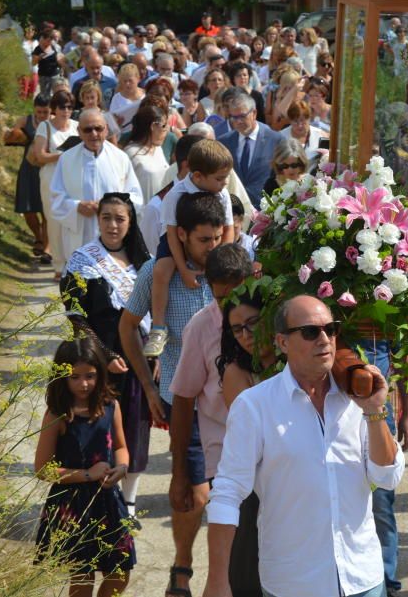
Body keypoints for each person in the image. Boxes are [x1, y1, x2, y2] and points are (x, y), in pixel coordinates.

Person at [203, 294, 405, 597]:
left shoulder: (358, 398)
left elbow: (387, 477)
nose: (324, 339)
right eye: (311, 332)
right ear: (282, 342)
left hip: (362, 578)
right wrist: (218, 580)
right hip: (293, 583)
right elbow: (227, 492)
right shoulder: (254, 406)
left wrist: (375, 411)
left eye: (331, 329)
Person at [119, 192, 225, 597]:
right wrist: (146, 384)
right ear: (181, 234)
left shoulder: (232, 272)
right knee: (192, 489)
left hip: (231, 401)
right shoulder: (155, 272)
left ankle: (226, 573)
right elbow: (128, 327)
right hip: (182, 402)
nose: (211, 248)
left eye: (217, 238)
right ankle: (182, 564)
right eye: (203, 240)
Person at [61, 193, 153, 517]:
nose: (113, 225)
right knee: (99, 428)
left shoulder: (145, 262)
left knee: (137, 428)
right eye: (106, 218)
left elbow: (160, 314)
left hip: (138, 358)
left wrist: (153, 357)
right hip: (97, 359)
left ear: (130, 222)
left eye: (120, 218)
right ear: (97, 220)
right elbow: (76, 315)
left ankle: (127, 501)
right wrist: (104, 354)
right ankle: (95, 497)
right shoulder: (83, 260)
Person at [169, 244, 254, 592]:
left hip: (269, 459)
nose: (232, 306)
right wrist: (179, 474)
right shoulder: (201, 328)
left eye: (240, 294)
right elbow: (183, 399)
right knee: (232, 561)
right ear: (209, 289)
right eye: (222, 298)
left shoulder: (272, 322)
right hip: (224, 462)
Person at [33, 337, 136, 597]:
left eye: (90, 375)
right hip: (73, 506)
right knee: (82, 576)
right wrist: (87, 474)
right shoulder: (57, 414)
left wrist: (121, 468)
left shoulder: (111, 406)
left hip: (108, 501)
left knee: (121, 572)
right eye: (75, 377)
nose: (84, 383)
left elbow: (121, 447)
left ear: (100, 374)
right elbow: (42, 469)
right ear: (62, 377)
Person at [145, 140, 235, 358]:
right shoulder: (176, 194)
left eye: (226, 177)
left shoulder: (222, 194)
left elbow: (228, 230)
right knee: (160, 270)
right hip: (177, 239)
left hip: (211, 238)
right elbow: (173, 234)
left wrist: (220, 260)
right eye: (219, 178)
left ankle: (231, 319)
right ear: (197, 177)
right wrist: (183, 269)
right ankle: (158, 328)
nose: (224, 183)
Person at [216, 291, 274, 597]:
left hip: (299, 484)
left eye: (253, 323)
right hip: (255, 487)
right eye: (237, 329)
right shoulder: (237, 372)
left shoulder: (299, 363)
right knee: (249, 577)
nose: (246, 336)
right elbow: (257, 435)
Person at [50, 109, 144, 278]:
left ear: (106, 129)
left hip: (113, 237)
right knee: (81, 292)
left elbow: (136, 197)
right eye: (87, 130)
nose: (94, 134)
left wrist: (114, 208)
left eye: (98, 129)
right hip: (81, 234)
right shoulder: (66, 159)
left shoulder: (120, 158)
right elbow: (55, 198)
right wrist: (77, 206)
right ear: (78, 131)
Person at [27, 90, 80, 276]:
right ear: (54, 109)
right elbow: (40, 155)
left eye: (70, 107)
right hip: (51, 177)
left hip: (73, 177)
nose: (66, 111)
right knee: (54, 221)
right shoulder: (45, 127)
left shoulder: (76, 126)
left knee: (72, 221)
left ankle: (72, 263)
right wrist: (61, 156)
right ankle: (59, 265)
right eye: (62, 107)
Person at [6, 94, 51, 262]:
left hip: (47, 169)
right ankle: (38, 236)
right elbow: (13, 133)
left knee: (47, 210)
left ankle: (47, 247)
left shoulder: (54, 123)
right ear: (34, 109)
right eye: (39, 112)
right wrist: (12, 134)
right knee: (27, 208)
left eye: (45, 112)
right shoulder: (25, 120)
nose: (42, 115)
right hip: (28, 169)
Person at [218, 92, 285, 203]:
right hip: (234, 208)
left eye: (242, 116)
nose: (238, 121)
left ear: (254, 113)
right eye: (234, 117)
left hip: (264, 208)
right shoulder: (224, 142)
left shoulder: (276, 140)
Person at [123, 105, 172, 201]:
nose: (166, 131)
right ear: (153, 126)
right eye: (164, 126)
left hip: (160, 210)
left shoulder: (158, 149)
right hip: (141, 212)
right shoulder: (130, 153)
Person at [280, 100, 327, 165]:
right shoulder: (280, 137)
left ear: (309, 119)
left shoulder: (321, 135)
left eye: (303, 121)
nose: (300, 125)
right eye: (296, 121)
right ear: (290, 121)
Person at [109, 64, 145, 134]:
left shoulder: (145, 95)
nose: (127, 84)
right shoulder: (116, 98)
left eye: (130, 81)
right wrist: (117, 123)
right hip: (124, 136)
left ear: (138, 79)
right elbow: (111, 125)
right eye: (124, 81)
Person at [31, 29, 66, 99]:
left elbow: (59, 58)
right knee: (45, 95)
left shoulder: (54, 47)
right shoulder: (38, 49)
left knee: (57, 94)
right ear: (43, 39)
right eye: (48, 40)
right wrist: (39, 57)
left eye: (50, 40)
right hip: (44, 76)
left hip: (55, 74)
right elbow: (33, 63)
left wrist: (62, 64)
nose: (49, 42)